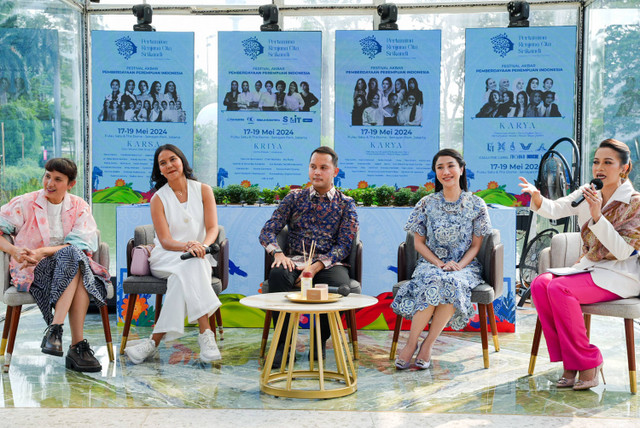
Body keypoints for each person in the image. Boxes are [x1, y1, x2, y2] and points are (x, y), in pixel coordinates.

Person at [518, 138, 640, 390]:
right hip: (589, 269)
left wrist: (597, 216)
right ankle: (572, 362)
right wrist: (537, 196)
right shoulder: (588, 192)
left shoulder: (635, 203)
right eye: (596, 162)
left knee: (559, 288)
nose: (600, 168)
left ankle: (588, 361)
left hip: (621, 275)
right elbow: (554, 209)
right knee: (541, 284)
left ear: (624, 168)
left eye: (608, 162)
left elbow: (622, 252)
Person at [0, 158, 110, 372]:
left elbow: (81, 243)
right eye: (47, 176)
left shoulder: (79, 206)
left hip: (69, 267)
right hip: (33, 269)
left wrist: (42, 251)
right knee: (76, 262)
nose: (49, 183)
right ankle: (77, 346)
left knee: (73, 256)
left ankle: (55, 331)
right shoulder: (25, 202)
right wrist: (14, 250)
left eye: (58, 179)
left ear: (71, 184)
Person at [259, 146, 359, 368]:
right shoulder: (294, 197)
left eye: (323, 168)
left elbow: (344, 244)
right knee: (277, 275)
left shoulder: (346, 203)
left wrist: (314, 268)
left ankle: (319, 340)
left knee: (339, 286)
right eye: (313, 167)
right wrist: (278, 252)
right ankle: (283, 344)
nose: (317, 172)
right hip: (293, 259)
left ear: (335, 171)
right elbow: (267, 231)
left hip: (328, 263)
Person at [391, 148, 491, 370]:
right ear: (435, 173)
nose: (446, 171)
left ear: (461, 169)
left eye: (451, 166)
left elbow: (476, 246)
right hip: (431, 263)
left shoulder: (477, 204)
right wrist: (439, 263)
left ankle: (427, 344)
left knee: (452, 281)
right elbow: (418, 243)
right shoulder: (426, 203)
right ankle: (411, 343)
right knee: (436, 279)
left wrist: (458, 265)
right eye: (440, 167)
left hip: (465, 266)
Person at [124, 144, 222, 365]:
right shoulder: (158, 199)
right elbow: (166, 241)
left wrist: (202, 247)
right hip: (166, 256)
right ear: (158, 170)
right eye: (162, 163)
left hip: (197, 255)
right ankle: (206, 335)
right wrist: (189, 246)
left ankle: (152, 342)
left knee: (183, 276)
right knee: (190, 266)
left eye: (172, 159)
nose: (169, 165)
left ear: (182, 161)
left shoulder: (204, 190)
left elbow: (213, 228)